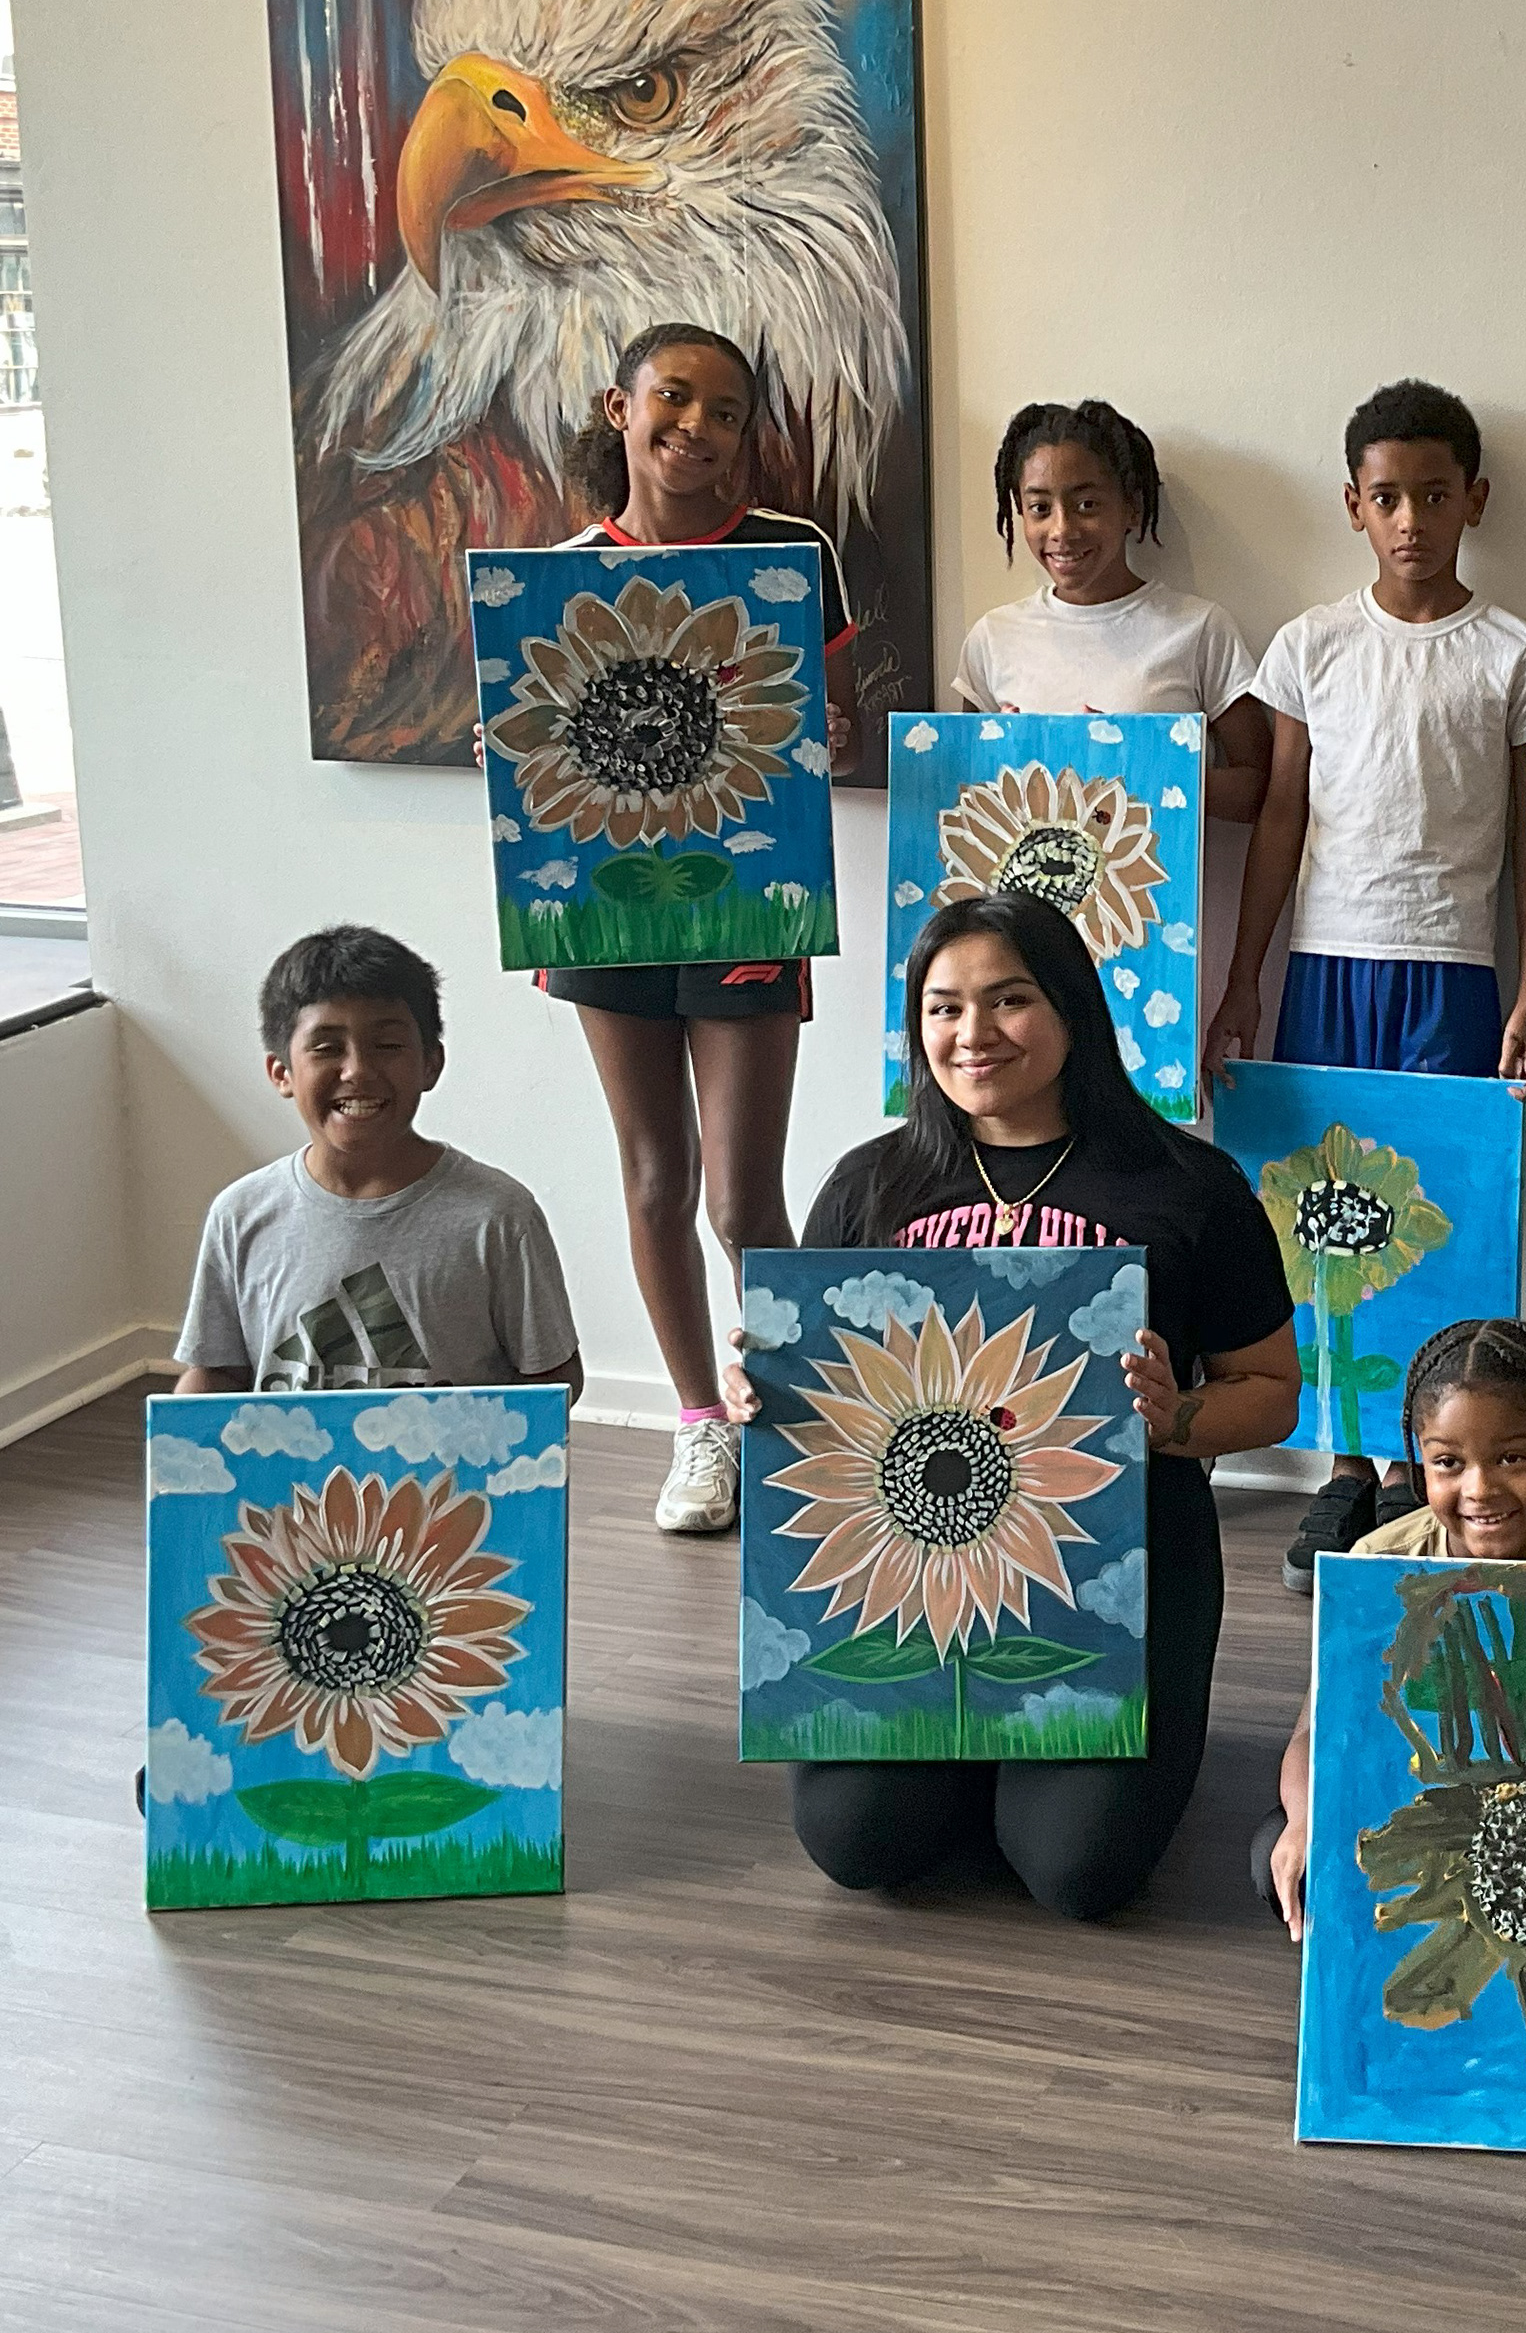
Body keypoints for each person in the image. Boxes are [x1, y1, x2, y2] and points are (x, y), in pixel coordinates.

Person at [731, 893, 1301, 1921]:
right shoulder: (870, 1185)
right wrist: (766, 1393)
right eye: (943, 1010)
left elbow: (1269, 1398)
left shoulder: (1189, 1185)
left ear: (1072, 1008)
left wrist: (1171, 1421)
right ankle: (978, 1752)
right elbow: (818, 1404)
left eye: (1008, 1000)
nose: (973, 1034)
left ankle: (1038, 1764)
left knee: (1077, 1872)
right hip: (902, 1582)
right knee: (860, 1846)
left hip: (1117, 1571)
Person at [1207, 378, 1526, 1589]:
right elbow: (1278, 816)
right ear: (1353, 508)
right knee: (1318, 1226)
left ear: (1474, 499)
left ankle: (1436, 1477)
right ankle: (1344, 1474)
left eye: (1432, 493)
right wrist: (1243, 979)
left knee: (1437, 1221)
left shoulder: (1517, 655)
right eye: (1385, 497)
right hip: (1325, 965)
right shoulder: (1312, 645)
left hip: (1451, 975)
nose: (1410, 518)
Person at [543, 321, 859, 1538]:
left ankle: (788, 1414)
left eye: (727, 411)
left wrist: (831, 741)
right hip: (604, 905)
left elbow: (823, 719)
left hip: (746, 899)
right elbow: (539, 737)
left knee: (741, 1200)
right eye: (674, 399)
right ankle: (698, 1427)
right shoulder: (560, 571)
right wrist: (504, 750)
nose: (698, 428)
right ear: (618, 408)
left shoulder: (791, 553)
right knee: (653, 1177)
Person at [1258, 1318, 1526, 1934]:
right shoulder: (1378, 1568)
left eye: (1512, 1457)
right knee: (1281, 1864)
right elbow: (1312, 1732)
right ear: (1420, 1464)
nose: (1480, 1488)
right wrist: (1303, 1824)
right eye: (1449, 1463)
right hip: (1421, 1809)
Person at [175, 925, 580, 1400]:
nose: (358, 1070)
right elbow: (217, 1372)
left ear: (431, 1063)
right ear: (281, 1072)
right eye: (326, 1048)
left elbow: (552, 1378)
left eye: (387, 1046)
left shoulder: (497, 1216)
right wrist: (177, 1456)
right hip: (294, 1476)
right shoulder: (240, 1215)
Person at [956, 398, 1272, 823]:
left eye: (1087, 505)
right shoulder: (992, 637)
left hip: (1151, 885)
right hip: (1017, 886)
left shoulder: (1198, 629)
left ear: (1131, 507)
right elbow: (958, 785)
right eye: (1040, 508)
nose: (1062, 530)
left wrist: (1134, 766)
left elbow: (1260, 789)